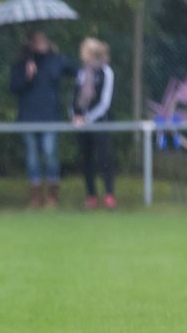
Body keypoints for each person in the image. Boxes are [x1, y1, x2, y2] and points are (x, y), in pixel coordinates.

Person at [9, 30, 77, 207]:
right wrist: (28, 76)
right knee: (32, 157)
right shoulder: (22, 64)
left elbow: (76, 72)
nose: (41, 44)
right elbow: (14, 88)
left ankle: (53, 195)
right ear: (31, 44)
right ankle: (36, 196)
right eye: (37, 41)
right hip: (28, 116)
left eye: (43, 41)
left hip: (50, 116)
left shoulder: (56, 60)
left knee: (49, 152)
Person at [72, 37, 116, 209]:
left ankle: (109, 194)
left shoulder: (106, 72)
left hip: (100, 122)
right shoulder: (82, 72)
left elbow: (104, 102)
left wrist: (88, 118)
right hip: (81, 123)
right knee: (86, 159)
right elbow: (75, 96)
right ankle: (91, 195)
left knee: (104, 158)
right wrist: (75, 115)